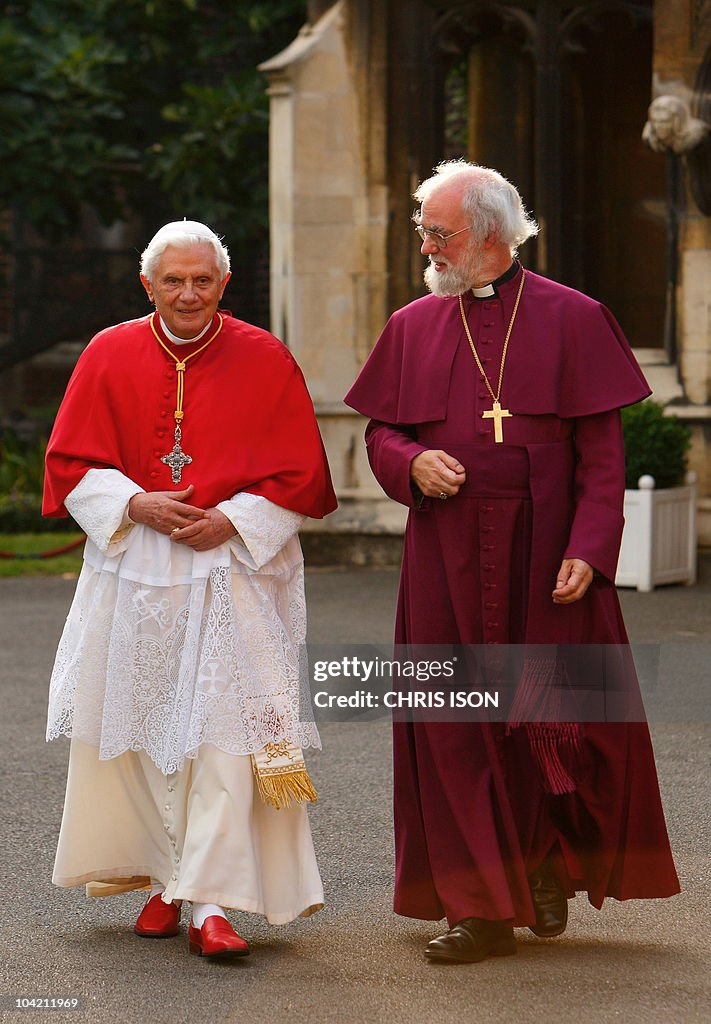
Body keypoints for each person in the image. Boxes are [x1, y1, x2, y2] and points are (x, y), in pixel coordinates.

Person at [344, 162, 680, 964]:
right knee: (453, 727)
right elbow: (381, 435)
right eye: (422, 228)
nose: (425, 244)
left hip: (547, 554)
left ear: (489, 235)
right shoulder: (413, 323)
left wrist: (591, 551)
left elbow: (601, 457)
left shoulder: (574, 316)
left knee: (550, 725)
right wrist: (411, 465)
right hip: (446, 553)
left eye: (439, 231)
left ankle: (541, 865)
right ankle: (478, 907)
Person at [43, 220, 337, 959]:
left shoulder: (264, 358)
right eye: (172, 280)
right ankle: (163, 880)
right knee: (140, 733)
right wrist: (134, 502)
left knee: (221, 739)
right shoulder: (108, 352)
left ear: (223, 285)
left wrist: (233, 519)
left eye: (201, 280)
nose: (187, 294)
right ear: (147, 284)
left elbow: (301, 476)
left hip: (229, 575)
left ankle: (213, 899)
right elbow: (71, 463)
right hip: (134, 571)